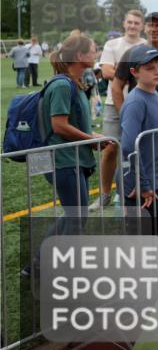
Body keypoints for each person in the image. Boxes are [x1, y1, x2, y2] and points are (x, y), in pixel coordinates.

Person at [40, 33, 103, 238]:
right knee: (76, 217)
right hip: (63, 161)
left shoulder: (74, 83)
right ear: (79, 55)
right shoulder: (61, 85)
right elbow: (59, 126)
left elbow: (75, 125)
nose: (96, 53)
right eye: (93, 50)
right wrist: (90, 140)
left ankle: (37, 265)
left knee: (74, 216)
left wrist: (95, 136)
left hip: (73, 160)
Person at [92, 9, 147, 210]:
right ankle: (104, 195)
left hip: (140, 103)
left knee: (139, 149)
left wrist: (122, 72)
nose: (132, 26)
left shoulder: (145, 45)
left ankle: (137, 190)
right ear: (124, 23)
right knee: (110, 149)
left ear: (142, 26)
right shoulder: (112, 44)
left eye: (136, 23)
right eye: (129, 22)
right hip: (112, 105)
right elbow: (106, 72)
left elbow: (151, 72)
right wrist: (138, 73)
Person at [118, 45, 158, 231]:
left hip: (152, 180)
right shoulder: (135, 102)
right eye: (150, 68)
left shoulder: (154, 94)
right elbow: (128, 147)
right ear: (135, 72)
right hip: (139, 185)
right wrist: (143, 184)